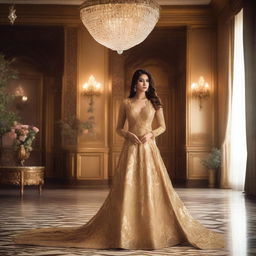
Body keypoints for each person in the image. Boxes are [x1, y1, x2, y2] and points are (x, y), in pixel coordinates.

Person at [13, 69, 225, 250]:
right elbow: (117, 128)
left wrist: (151, 134)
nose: (144, 83)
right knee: (127, 188)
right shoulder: (126, 103)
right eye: (141, 80)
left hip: (149, 149)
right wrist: (128, 134)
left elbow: (163, 127)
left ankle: (154, 229)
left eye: (147, 80)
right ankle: (125, 231)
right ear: (134, 84)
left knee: (155, 188)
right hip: (131, 148)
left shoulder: (155, 103)